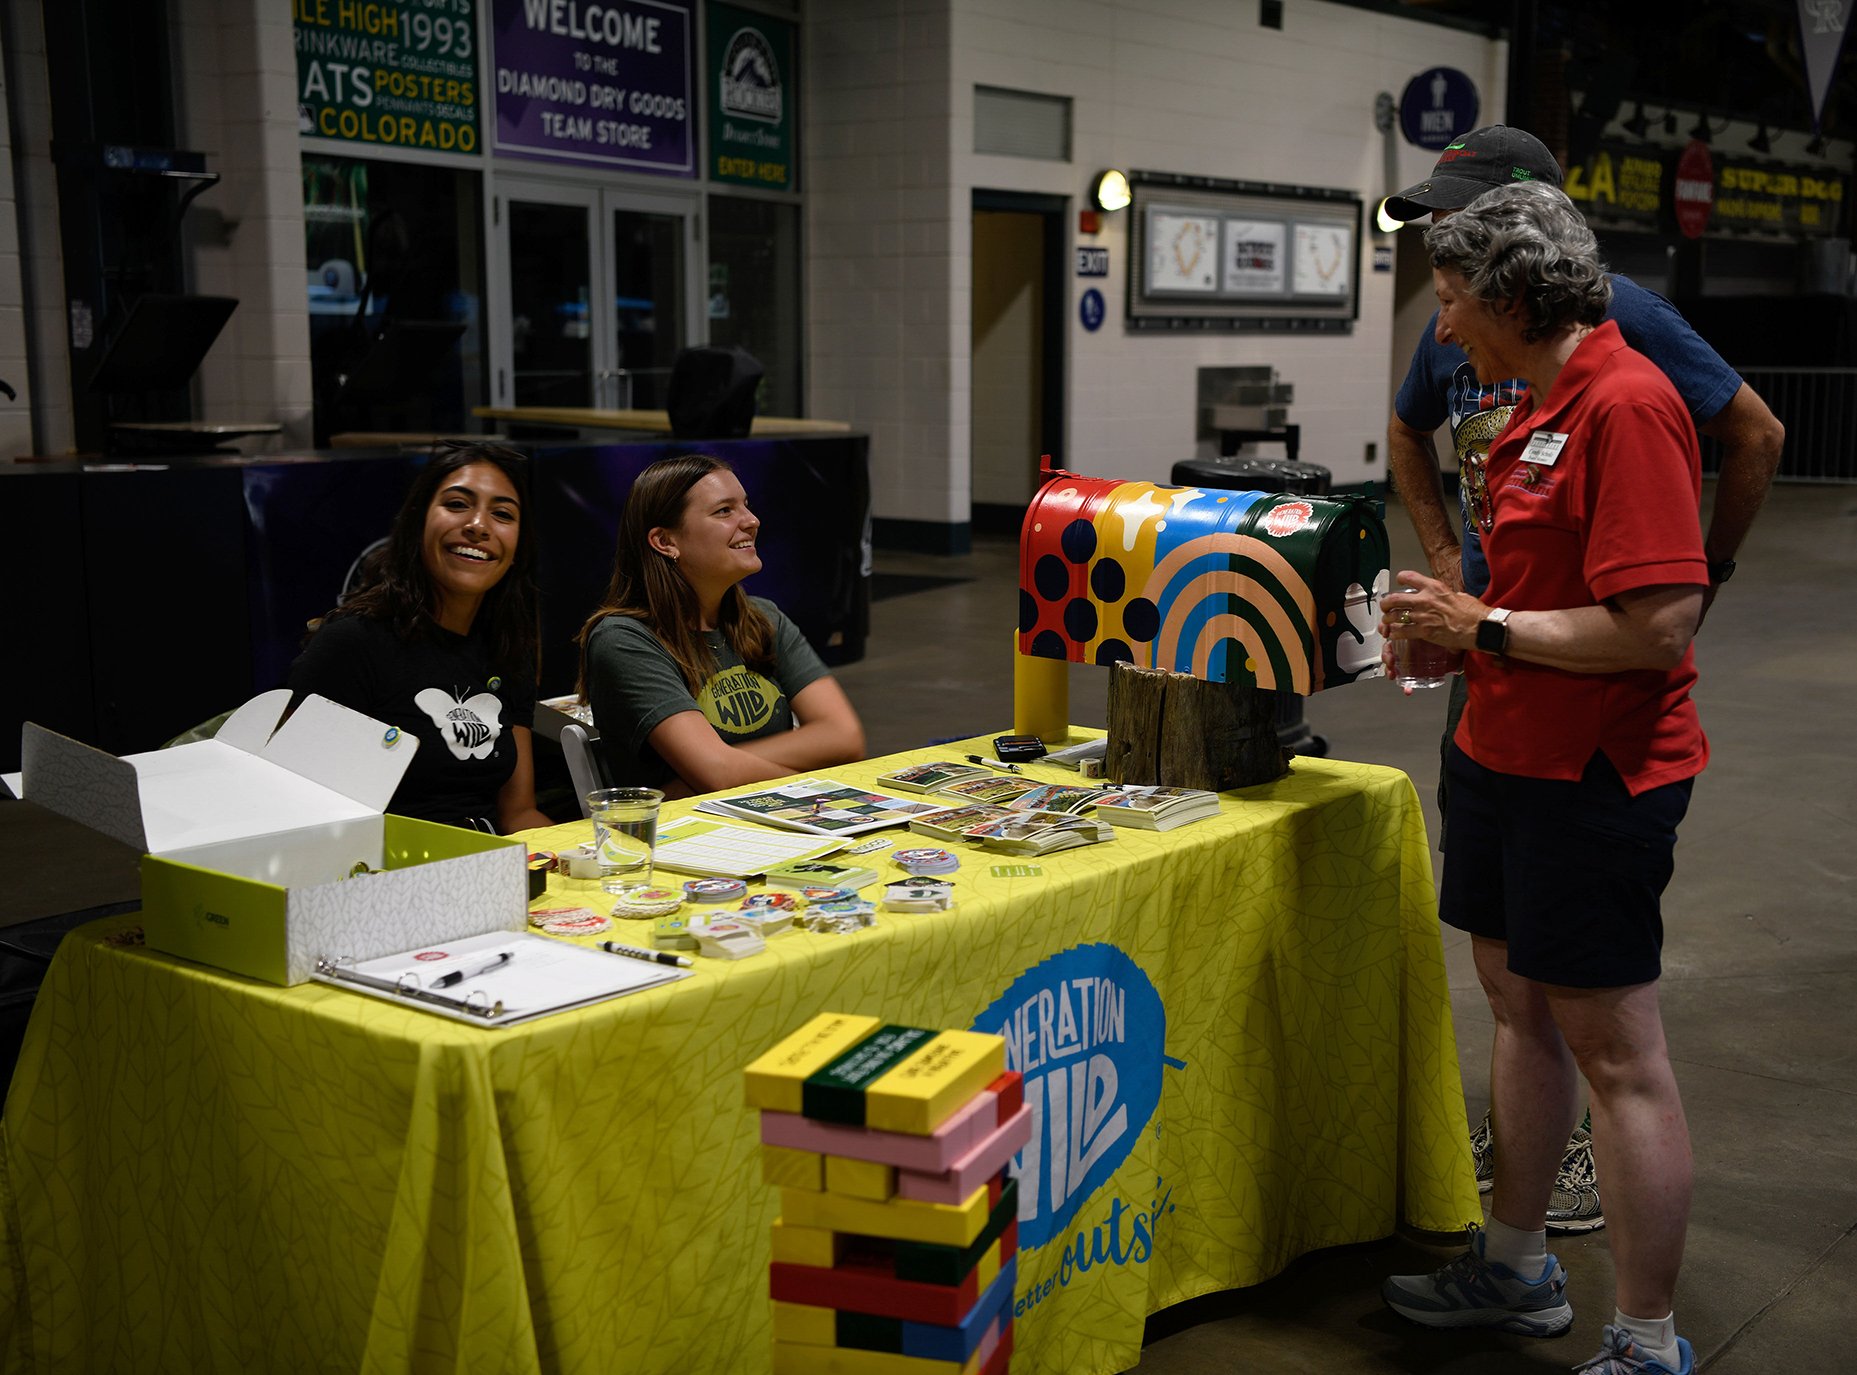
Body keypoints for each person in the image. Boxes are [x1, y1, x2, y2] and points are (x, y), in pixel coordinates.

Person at [1383, 124, 1784, 1234]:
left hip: (1588, 723)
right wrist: (1457, 578)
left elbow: (1753, 436)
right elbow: (1411, 435)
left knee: (1603, 1020)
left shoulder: (1620, 356)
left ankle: (1610, 1252)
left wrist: (1695, 581)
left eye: (1454, 262)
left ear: (1518, 267)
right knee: (1516, 986)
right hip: (1503, 687)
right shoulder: (1470, 329)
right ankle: (1519, 1227)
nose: (1440, 311)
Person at [1378, 182, 1709, 1375]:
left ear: (1512, 293)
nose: (1446, 323)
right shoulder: (1540, 403)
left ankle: (1648, 1336)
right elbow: (1525, 593)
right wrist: (1458, 628)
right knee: (1522, 1012)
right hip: (1504, 755)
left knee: (1618, 1052)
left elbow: (1660, 625)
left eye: (1456, 296)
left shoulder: (1628, 406)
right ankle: (1515, 1267)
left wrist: (1491, 630)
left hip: (1594, 773)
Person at [288, 441, 552, 835]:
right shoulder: (352, 643)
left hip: (489, 861)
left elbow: (518, 815)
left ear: (516, 549)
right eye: (457, 504)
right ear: (417, 522)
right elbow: (306, 815)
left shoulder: (509, 649)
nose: (479, 525)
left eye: (501, 514)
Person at [576, 454, 865, 795]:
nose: (752, 520)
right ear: (665, 542)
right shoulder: (623, 639)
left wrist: (725, 762)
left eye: (746, 505)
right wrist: (798, 779)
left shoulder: (763, 618)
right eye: (724, 511)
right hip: (684, 838)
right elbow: (718, 773)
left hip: (777, 821)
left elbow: (844, 736)